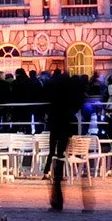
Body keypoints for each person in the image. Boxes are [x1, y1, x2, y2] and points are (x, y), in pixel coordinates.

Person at [45, 71, 85, 211]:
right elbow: (79, 101)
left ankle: (55, 189)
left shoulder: (54, 89)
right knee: (60, 154)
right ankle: (57, 184)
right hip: (65, 124)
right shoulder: (70, 92)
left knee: (53, 152)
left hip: (55, 124)